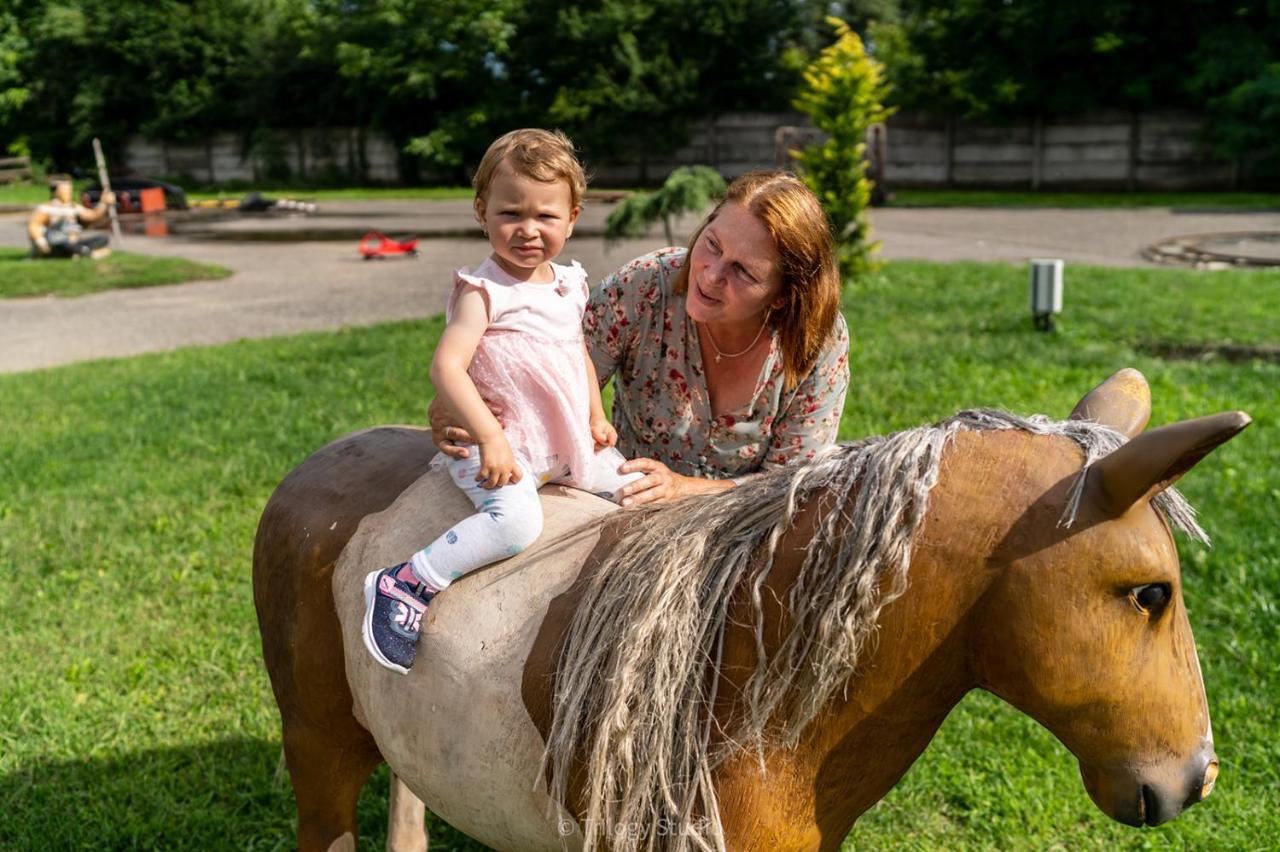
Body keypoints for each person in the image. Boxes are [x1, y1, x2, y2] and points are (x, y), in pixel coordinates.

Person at [362, 128, 643, 674]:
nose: (528, 230)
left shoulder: (570, 284)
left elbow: (577, 355)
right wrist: (489, 439)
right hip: (503, 441)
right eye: (511, 213)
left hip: (561, 444)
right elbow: (447, 365)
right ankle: (408, 583)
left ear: (573, 217)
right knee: (514, 522)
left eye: (546, 216)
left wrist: (595, 415)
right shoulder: (483, 290)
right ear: (481, 211)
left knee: (635, 488)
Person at [433, 169, 850, 507]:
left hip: (745, 530)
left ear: (781, 298)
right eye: (712, 244)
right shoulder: (647, 286)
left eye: (743, 271)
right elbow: (551, 372)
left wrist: (685, 489)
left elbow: (794, 485)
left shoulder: (818, 341)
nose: (711, 274)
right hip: (623, 507)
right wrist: (462, 413)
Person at [27, 177, 115, 259]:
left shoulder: (74, 207)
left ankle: (77, 252)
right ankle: (90, 254)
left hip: (73, 242)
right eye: (64, 189)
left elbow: (93, 215)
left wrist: (104, 203)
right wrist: (41, 242)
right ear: (55, 192)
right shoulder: (46, 208)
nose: (68, 192)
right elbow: (33, 225)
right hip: (55, 244)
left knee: (103, 238)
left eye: (69, 189)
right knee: (61, 243)